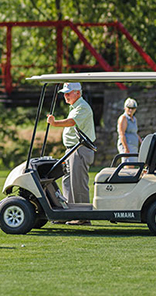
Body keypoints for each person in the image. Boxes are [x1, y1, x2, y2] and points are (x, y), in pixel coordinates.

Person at [47, 82, 96, 226]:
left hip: (80, 149)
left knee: (78, 183)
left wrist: (55, 123)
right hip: (72, 149)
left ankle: (83, 216)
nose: (65, 95)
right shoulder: (75, 106)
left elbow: (71, 122)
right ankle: (68, 213)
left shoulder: (83, 107)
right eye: (65, 93)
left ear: (78, 93)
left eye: (69, 93)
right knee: (67, 182)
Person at [116, 98, 141, 162]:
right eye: (129, 107)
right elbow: (122, 134)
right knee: (127, 166)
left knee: (132, 165)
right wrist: (126, 148)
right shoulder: (123, 118)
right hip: (127, 145)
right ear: (125, 108)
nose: (130, 110)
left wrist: (141, 141)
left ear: (135, 109)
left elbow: (134, 133)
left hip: (134, 145)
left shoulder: (134, 119)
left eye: (132, 108)